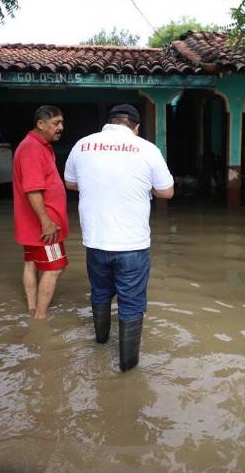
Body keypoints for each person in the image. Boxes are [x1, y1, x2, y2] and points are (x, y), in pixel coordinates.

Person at [63, 103, 174, 371]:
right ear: (136, 127)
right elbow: (167, 192)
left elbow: (70, 183)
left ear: (109, 122)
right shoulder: (147, 149)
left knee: (100, 292)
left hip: (95, 241)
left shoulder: (83, 145)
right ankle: (128, 367)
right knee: (132, 302)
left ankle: (100, 342)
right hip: (132, 244)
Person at [13, 105, 69, 320]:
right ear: (40, 124)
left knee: (31, 263)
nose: (61, 127)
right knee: (55, 268)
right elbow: (33, 189)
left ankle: (31, 309)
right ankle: (40, 318)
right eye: (56, 123)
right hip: (45, 226)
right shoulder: (32, 149)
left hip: (32, 224)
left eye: (61, 122)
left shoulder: (38, 145)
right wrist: (46, 222)